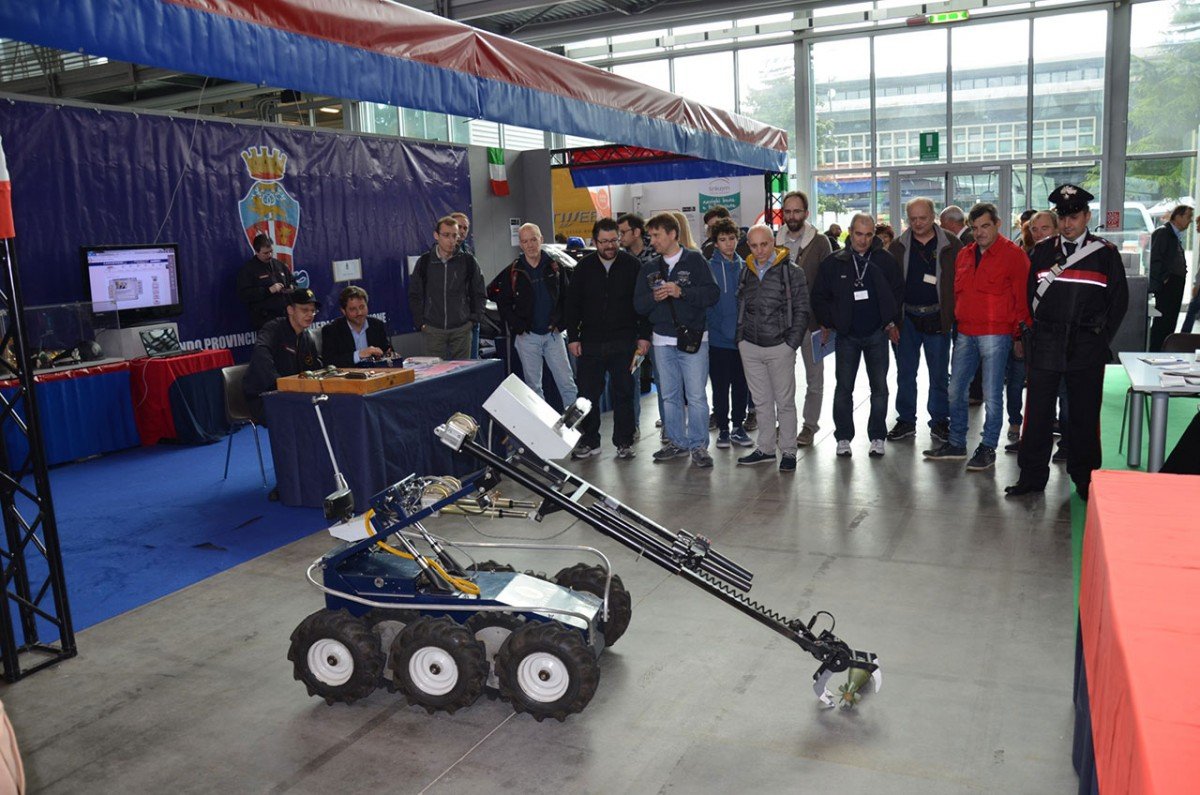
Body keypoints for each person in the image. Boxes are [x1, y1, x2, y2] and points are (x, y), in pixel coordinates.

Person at [1007, 185, 1129, 501]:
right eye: (1063, 216)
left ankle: (1085, 479)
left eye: (1074, 216)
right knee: (1037, 415)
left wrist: (1100, 338)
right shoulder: (1042, 252)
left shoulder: (1105, 255)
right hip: (1046, 343)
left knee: (1084, 415)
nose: (1068, 223)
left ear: (1087, 216)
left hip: (1086, 346)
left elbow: (1118, 303)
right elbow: (1027, 297)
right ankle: (1031, 477)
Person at [925, 203, 1030, 472]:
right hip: (965, 332)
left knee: (993, 395)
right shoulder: (965, 255)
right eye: (975, 228)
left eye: (985, 226)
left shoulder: (1013, 255)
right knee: (956, 390)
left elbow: (1022, 298)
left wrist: (1019, 335)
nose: (980, 232)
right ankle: (957, 442)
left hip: (997, 333)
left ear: (997, 224)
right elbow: (958, 294)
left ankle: (988, 447)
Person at [811, 213, 903, 458]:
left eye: (868, 234)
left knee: (880, 388)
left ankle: (877, 437)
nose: (863, 240)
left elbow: (897, 293)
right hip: (847, 336)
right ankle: (843, 437)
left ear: (874, 234)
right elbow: (819, 296)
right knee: (843, 389)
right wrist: (829, 322)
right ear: (850, 232)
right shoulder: (834, 262)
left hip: (877, 333)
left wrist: (891, 322)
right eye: (858, 234)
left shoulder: (885, 260)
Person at [633, 212, 719, 467]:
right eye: (651, 236)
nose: (653, 240)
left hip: (693, 338)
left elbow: (712, 294)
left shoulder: (695, 261)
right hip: (662, 340)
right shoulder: (649, 267)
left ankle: (699, 446)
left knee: (696, 396)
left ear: (673, 234)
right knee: (669, 395)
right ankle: (677, 442)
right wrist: (654, 298)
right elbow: (638, 305)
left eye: (657, 235)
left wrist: (682, 292)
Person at [563, 217, 650, 460]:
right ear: (595, 241)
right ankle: (590, 441)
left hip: (625, 341)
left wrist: (644, 336)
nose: (610, 246)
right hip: (591, 342)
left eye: (614, 240)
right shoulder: (583, 268)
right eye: (604, 242)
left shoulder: (632, 265)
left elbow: (643, 305)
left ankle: (624, 441)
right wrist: (573, 337)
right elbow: (572, 305)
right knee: (587, 395)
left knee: (624, 392)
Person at [886, 197, 962, 444]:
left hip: (937, 317)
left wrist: (953, 317)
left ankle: (940, 420)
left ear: (934, 216)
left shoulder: (952, 244)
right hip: (906, 319)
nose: (918, 223)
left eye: (923, 218)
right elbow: (888, 288)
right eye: (913, 219)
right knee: (905, 373)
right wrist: (891, 322)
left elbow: (961, 284)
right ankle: (906, 420)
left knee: (939, 374)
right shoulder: (897, 247)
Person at [735, 225, 810, 472]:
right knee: (761, 401)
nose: (759, 251)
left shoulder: (792, 271)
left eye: (764, 244)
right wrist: (740, 339)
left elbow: (802, 310)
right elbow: (741, 306)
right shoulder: (745, 270)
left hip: (780, 346)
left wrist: (791, 344)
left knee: (785, 402)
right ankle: (766, 448)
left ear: (773, 242)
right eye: (754, 246)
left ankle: (788, 450)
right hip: (750, 346)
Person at [491, 223, 578, 410]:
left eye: (533, 239)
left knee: (568, 384)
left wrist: (561, 324)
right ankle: (543, 432)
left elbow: (568, 298)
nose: (530, 245)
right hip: (527, 338)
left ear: (541, 240)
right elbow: (502, 303)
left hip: (554, 336)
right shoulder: (512, 272)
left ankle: (576, 431)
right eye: (525, 241)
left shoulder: (555, 267)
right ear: (520, 245)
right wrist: (517, 326)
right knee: (534, 389)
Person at [775, 190, 833, 446]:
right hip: (782, 325)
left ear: (806, 213)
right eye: (787, 211)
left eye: (797, 211)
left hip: (813, 323)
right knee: (781, 380)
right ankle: (784, 423)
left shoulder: (820, 242)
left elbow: (828, 286)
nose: (792, 216)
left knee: (814, 378)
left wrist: (826, 320)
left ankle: (809, 426)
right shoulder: (773, 242)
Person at [242, 288, 322, 425]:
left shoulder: (307, 337)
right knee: (302, 414)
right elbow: (261, 355)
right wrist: (280, 384)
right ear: (290, 310)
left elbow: (314, 368)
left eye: (312, 310)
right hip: (265, 395)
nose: (310, 315)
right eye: (305, 310)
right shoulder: (273, 329)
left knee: (326, 404)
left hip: (294, 395)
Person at [706, 218, 753, 451]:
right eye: (722, 240)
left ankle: (738, 426)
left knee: (742, 386)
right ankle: (723, 428)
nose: (728, 244)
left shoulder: (746, 266)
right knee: (720, 387)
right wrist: (722, 328)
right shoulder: (708, 267)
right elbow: (706, 306)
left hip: (743, 340)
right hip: (718, 341)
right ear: (715, 243)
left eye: (732, 239)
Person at [409, 215, 485, 360]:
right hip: (433, 330)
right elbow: (415, 294)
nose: (451, 240)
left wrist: (473, 320)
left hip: (462, 330)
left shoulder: (468, 261)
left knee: (463, 376)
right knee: (436, 377)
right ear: (436, 235)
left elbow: (479, 292)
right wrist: (421, 323)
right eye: (446, 235)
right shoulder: (425, 261)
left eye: (454, 236)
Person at [1148, 204, 1194, 351]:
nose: (1190, 221)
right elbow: (1154, 258)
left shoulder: (1174, 235)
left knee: (1170, 321)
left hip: (1175, 285)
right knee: (1163, 323)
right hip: (1167, 286)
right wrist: (1163, 279)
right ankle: (1157, 351)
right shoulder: (1163, 233)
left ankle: (1165, 350)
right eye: (1188, 217)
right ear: (1178, 217)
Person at [236, 233, 296, 330]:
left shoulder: (279, 265)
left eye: (271, 251)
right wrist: (268, 290)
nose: (270, 255)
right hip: (265, 320)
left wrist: (292, 288)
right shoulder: (248, 270)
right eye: (265, 253)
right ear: (256, 251)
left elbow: (293, 281)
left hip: (285, 316)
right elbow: (244, 294)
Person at [321, 285, 391, 368]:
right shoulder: (332, 330)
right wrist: (358, 355)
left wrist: (388, 355)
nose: (359, 312)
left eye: (362, 307)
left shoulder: (376, 325)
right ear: (343, 311)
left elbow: (388, 351)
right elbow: (329, 362)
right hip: (348, 378)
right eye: (353, 309)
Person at [451, 211, 482, 358]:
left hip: (472, 319)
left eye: (465, 228)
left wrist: (477, 314)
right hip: (453, 323)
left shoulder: (468, 252)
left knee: (473, 365)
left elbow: (477, 285)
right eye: (459, 227)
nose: (462, 231)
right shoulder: (439, 255)